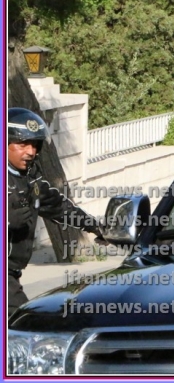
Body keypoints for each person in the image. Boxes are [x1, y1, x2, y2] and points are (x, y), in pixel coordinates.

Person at [7, 107, 104, 316]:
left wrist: (96, 227)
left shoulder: (30, 179)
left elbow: (59, 207)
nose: (30, 152)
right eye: (22, 144)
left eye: (34, 145)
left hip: (11, 275)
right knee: (26, 323)